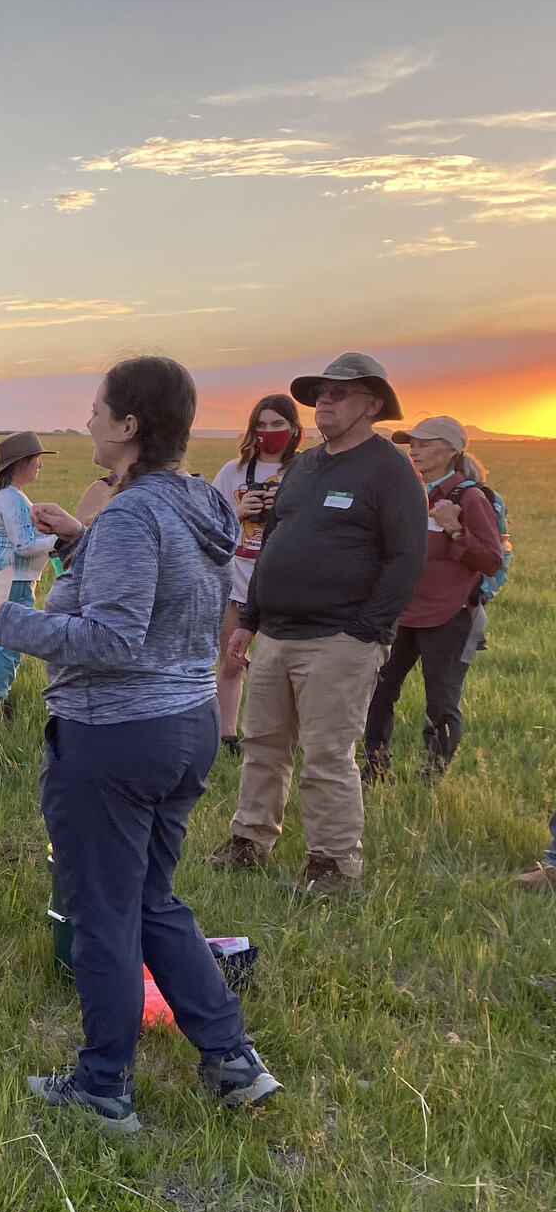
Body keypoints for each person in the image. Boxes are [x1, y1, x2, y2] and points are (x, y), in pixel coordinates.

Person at [0, 357, 280, 1133]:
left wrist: (2, 620)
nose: (89, 421)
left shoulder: (132, 516)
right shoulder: (197, 502)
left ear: (129, 427)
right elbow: (159, 602)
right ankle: (233, 1060)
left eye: (98, 410)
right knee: (152, 899)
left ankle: (104, 1088)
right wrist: (81, 543)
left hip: (115, 735)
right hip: (187, 722)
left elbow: (114, 636)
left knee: (103, 915)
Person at [211, 353, 428, 892]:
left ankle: (333, 866)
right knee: (262, 743)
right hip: (278, 632)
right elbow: (274, 543)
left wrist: (367, 629)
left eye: (341, 392)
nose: (325, 400)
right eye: (322, 393)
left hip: (339, 639)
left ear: (373, 405)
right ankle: (249, 840)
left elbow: (406, 558)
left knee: (328, 755)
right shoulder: (305, 467)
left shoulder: (390, 470)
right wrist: (250, 620)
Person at [360, 416, 504, 785]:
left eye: (425, 443)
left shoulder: (469, 497)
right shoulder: (409, 491)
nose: (415, 449)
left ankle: (431, 777)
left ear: (452, 449)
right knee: (378, 692)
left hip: (449, 615)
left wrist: (455, 528)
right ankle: (374, 770)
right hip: (400, 614)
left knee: (440, 703)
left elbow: (490, 560)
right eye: (412, 442)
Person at [207, 395, 302, 755]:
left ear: (294, 429)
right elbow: (209, 523)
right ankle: (226, 735)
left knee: (286, 666)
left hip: (286, 581)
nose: (269, 433)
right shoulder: (233, 471)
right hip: (237, 578)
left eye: (278, 425)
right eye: (261, 425)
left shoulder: (304, 470)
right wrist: (238, 508)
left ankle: (281, 738)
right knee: (231, 660)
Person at [0, 432, 59, 717]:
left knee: (5, 645)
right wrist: (59, 540)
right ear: (21, 463)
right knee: (9, 647)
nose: (40, 465)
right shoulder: (11, 497)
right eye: (37, 459)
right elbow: (23, 546)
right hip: (14, 581)